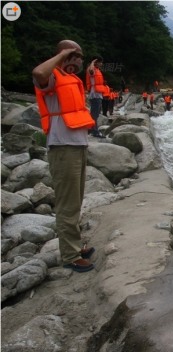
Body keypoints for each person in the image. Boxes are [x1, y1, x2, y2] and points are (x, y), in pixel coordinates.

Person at [32, 39, 96, 273]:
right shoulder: (50, 77)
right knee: (67, 204)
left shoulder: (72, 79)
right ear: (63, 55)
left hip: (77, 146)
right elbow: (38, 72)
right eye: (75, 55)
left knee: (75, 201)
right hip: (62, 147)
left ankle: (75, 246)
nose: (79, 59)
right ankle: (70, 255)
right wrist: (63, 53)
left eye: (80, 55)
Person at [85, 55, 106, 137]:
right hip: (95, 94)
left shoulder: (97, 70)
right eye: (100, 62)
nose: (101, 64)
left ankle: (91, 129)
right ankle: (94, 131)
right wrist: (92, 63)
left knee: (95, 113)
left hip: (98, 94)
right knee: (94, 113)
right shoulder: (92, 69)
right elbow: (90, 70)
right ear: (96, 62)